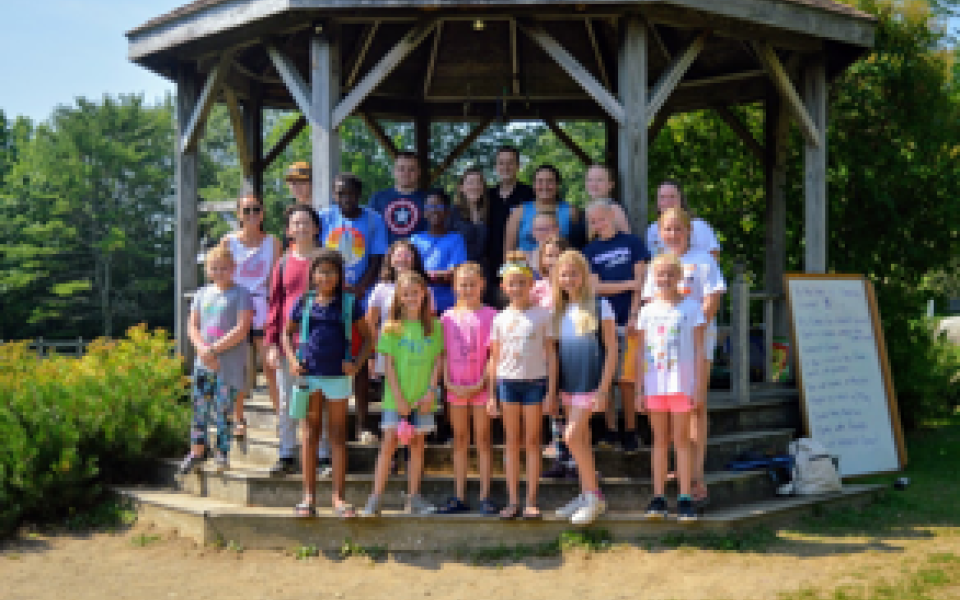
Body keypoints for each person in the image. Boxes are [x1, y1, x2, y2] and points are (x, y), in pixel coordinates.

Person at [642, 206, 726, 506]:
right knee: (668, 418)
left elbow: (712, 299)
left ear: (689, 230)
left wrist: (689, 331)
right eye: (668, 229)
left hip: (697, 340)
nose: (673, 234)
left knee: (696, 407)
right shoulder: (657, 264)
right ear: (660, 233)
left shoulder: (704, 261)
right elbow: (651, 305)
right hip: (665, 350)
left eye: (679, 228)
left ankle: (695, 475)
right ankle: (669, 478)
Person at [281, 250, 373, 518]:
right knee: (309, 434)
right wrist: (291, 359)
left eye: (331, 271)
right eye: (320, 271)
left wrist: (356, 364)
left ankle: (338, 498)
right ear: (312, 274)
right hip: (309, 376)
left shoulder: (349, 303)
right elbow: (286, 334)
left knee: (337, 435)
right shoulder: (304, 302)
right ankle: (308, 497)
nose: (326, 277)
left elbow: (369, 339)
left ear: (339, 275)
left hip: (338, 378)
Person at [361, 272, 444, 516]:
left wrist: (430, 392)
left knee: (418, 446)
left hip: (424, 399)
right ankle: (376, 498)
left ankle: (414, 498)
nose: (411, 298)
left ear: (424, 294)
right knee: (389, 445)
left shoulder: (434, 326)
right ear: (399, 297)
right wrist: (398, 398)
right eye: (406, 294)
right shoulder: (391, 328)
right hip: (396, 398)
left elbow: (438, 361)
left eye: (415, 293)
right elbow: (388, 365)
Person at [636, 252, 707, 522]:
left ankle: (685, 497)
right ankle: (658, 497)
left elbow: (700, 349)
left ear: (679, 277)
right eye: (660, 274)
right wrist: (640, 389)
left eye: (670, 273)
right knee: (659, 440)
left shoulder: (691, 308)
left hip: (682, 384)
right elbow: (641, 351)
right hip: (655, 385)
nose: (665, 278)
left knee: (682, 441)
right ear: (654, 277)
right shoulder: (646, 311)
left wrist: (698, 386)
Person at [318, 172, 387, 444]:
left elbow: (378, 257)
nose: (345, 198)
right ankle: (330, 427)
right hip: (331, 296)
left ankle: (361, 423)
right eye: (340, 193)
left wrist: (359, 288)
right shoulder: (325, 217)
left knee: (358, 362)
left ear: (358, 194)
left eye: (350, 193)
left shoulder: (373, 220)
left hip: (361, 298)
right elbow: (318, 255)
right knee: (330, 359)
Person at [550, 250, 618, 525]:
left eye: (574, 273)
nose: (569, 279)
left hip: (591, 385)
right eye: (564, 274)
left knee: (570, 436)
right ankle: (586, 493)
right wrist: (553, 391)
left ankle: (594, 497)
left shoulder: (602, 306)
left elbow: (612, 349)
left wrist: (603, 389)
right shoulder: (558, 310)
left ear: (585, 276)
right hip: (569, 386)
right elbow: (555, 354)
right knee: (581, 440)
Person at [489, 251, 557, 520]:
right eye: (511, 283)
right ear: (504, 287)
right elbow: (494, 358)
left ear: (532, 285)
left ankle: (531, 500)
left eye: (522, 282)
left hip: (534, 384)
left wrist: (551, 391)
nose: (517, 288)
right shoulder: (499, 318)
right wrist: (492, 395)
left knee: (532, 441)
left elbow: (551, 354)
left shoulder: (543, 315)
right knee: (511, 442)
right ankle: (512, 500)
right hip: (507, 384)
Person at [582, 199, 651, 453]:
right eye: (593, 221)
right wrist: (628, 284)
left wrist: (635, 312)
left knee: (627, 378)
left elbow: (641, 280)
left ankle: (630, 430)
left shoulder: (632, 243)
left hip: (630, 316)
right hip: (603, 319)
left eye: (601, 218)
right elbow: (594, 287)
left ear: (612, 216)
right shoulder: (589, 250)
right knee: (607, 377)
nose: (598, 224)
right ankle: (611, 430)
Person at [179, 245, 253, 475]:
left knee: (224, 409)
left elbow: (242, 328)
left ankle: (222, 453)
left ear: (233, 268)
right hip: (204, 362)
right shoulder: (202, 293)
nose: (219, 272)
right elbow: (192, 325)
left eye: (224, 268)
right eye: (214, 268)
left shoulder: (242, 293)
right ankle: (197, 451)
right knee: (199, 408)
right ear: (208, 270)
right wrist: (202, 348)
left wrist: (213, 350)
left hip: (227, 363)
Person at [264, 205, 324, 476]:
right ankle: (286, 453)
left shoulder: (326, 260)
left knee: (318, 399)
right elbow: (275, 304)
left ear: (316, 228)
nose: (301, 227)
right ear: (288, 230)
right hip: (289, 343)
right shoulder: (283, 263)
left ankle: (322, 455)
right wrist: (272, 344)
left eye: (306, 222)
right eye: (295, 223)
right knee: (288, 400)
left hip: (322, 342)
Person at [437, 262, 498, 515]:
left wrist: (482, 383)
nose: (468, 288)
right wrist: (448, 383)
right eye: (463, 284)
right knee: (460, 440)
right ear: (455, 286)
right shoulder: (447, 318)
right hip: (455, 388)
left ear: (482, 285)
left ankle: (485, 496)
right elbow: (441, 355)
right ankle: (459, 495)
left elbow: (494, 356)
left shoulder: (492, 315)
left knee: (483, 440)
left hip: (481, 388)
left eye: (473, 284)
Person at [221, 192, 281, 439]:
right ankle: (238, 418)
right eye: (247, 210)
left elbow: (275, 279)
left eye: (256, 209)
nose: (252, 215)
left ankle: (281, 416)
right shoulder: (228, 241)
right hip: (236, 305)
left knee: (270, 364)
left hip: (262, 304)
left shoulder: (272, 242)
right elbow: (221, 274)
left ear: (262, 213)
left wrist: (273, 308)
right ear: (239, 214)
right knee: (239, 365)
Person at [486, 146, 534, 300]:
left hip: (520, 265)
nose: (505, 167)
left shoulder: (529, 194)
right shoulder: (487, 196)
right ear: (496, 167)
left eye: (510, 163)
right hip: (490, 267)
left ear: (518, 166)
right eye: (501, 163)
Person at [504, 164, 584, 255]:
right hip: (525, 267)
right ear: (533, 185)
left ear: (558, 185)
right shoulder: (518, 212)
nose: (544, 186)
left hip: (559, 267)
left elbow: (578, 248)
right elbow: (508, 253)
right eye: (540, 181)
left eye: (550, 181)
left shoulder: (571, 212)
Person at [410, 190, 468, 314]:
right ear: (424, 213)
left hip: (448, 303)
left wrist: (423, 275)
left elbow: (455, 273)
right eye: (430, 206)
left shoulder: (456, 239)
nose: (434, 210)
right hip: (418, 302)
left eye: (439, 206)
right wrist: (439, 275)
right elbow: (409, 272)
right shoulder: (415, 239)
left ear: (447, 212)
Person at [645, 180, 721, 258]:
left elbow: (714, 255)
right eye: (662, 197)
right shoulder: (652, 230)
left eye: (672, 197)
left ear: (681, 200)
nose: (667, 201)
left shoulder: (697, 225)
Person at [369, 151, 428, 245]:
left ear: (419, 172)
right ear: (394, 171)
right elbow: (371, 231)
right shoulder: (378, 198)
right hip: (386, 257)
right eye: (401, 169)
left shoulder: (429, 200)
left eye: (411, 169)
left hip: (420, 256)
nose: (406, 173)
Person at [451, 166, 488, 263]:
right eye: (470, 183)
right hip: (460, 270)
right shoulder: (451, 213)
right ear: (461, 188)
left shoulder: (489, 212)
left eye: (478, 182)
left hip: (484, 271)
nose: (475, 187)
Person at [584, 164, 631, 238]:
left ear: (611, 185)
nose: (593, 184)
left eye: (599, 180)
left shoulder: (614, 208)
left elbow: (627, 241)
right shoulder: (588, 208)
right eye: (589, 180)